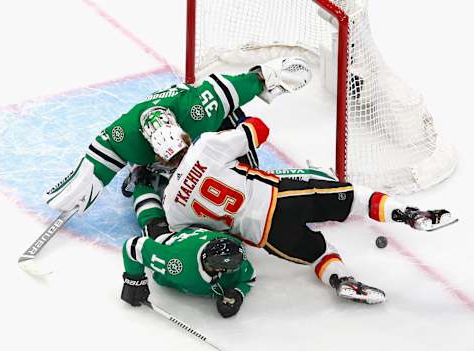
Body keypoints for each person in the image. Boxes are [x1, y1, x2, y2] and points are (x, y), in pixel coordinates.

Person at [148, 116, 454, 305]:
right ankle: (410, 215)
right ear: (181, 133)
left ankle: (342, 280)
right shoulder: (204, 146)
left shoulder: (172, 204)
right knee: (356, 198)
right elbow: (259, 129)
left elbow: (194, 239)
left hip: (266, 236)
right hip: (284, 197)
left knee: (320, 252)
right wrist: (234, 127)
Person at [42, 56, 312, 215]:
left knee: (245, 171)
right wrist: (95, 177)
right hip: (151, 144)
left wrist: (267, 76)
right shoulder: (125, 137)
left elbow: (239, 85)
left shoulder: (199, 109)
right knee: (170, 192)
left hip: (210, 122)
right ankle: (148, 171)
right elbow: (100, 157)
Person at [121, 226, 255, 318]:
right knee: (153, 220)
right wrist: (134, 280)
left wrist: (237, 293)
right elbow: (133, 246)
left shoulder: (235, 254)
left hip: (201, 229)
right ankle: (142, 185)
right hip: (173, 239)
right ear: (218, 267)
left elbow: (249, 278)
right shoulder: (178, 264)